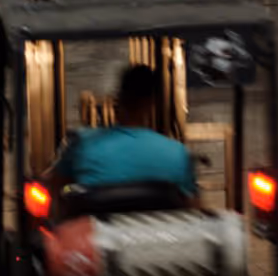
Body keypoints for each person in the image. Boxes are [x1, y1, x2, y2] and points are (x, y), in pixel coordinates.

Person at [49, 64, 198, 204]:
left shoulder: (81, 143)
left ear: (119, 99)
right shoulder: (178, 153)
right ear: (152, 103)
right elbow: (192, 206)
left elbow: (55, 189)